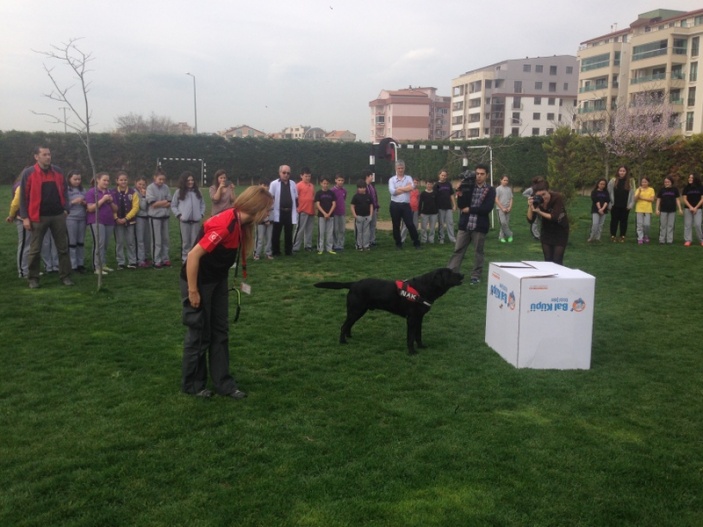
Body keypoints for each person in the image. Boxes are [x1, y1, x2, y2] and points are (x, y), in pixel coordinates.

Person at [180, 185, 274, 400]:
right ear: (257, 208)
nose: (269, 213)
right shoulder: (224, 225)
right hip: (199, 281)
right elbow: (193, 257)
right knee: (199, 334)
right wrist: (193, 291)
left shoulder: (242, 225)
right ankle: (193, 385)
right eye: (267, 209)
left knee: (220, 332)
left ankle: (224, 384)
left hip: (217, 280)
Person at [18, 146, 74, 288]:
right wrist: (25, 217)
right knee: (35, 250)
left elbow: (65, 191)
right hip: (38, 217)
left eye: (49, 154)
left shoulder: (58, 171)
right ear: (36, 157)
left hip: (58, 216)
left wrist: (66, 209)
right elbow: (23, 197)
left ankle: (65, 276)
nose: (48, 157)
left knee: (63, 248)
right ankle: (33, 278)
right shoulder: (29, 173)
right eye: (44, 154)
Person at [447, 163, 496, 284]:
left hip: (479, 226)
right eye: (477, 174)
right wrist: (460, 191)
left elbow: (487, 208)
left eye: (482, 174)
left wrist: (471, 209)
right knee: (458, 249)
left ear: (487, 175)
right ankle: (451, 273)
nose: (479, 176)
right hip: (465, 224)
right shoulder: (468, 186)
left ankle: (476, 275)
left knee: (478, 251)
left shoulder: (490, 190)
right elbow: (461, 206)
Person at [526, 180, 569, 265]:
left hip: (560, 230)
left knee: (557, 261)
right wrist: (530, 206)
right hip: (546, 231)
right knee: (548, 261)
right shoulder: (536, 200)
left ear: (548, 191)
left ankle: (560, 278)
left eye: (544, 194)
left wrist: (539, 212)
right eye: (539, 195)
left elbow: (554, 217)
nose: (543, 197)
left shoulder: (557, 197)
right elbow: (530, 220)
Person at [171, 171, 206, 263]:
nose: (190, 182)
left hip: (195, 222)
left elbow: (202, 204)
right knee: (186, 242)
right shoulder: (179, 192)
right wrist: (179, 215)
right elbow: (173, 205)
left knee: (195, 242)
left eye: (192, 180)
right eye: (188, 180)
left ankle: (194, 260)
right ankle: (185, 260)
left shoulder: (198, 192)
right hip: (184, 222)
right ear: (184, 181)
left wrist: (201, 214)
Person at [85, 172, 116, 275]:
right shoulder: (91, 192)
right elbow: (90, 208)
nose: (106, 182)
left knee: (105, 244)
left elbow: (116, 209)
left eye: (108, 180)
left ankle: (103, 264)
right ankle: (97, 267)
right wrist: (103, 200)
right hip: (96, 220)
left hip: (109, 220)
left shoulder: (110, 192)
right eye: (104, 180)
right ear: (98, 180)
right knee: (99, 243)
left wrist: (111, 201)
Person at [389, 160, 421, 249]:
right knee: (396, 225)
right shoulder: (392, 180)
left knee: (410, 224)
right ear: (396, 169)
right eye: (398, 168)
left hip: (406, 205)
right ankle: (398, 243)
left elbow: (412, 187)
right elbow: (392, 192)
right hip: (395, 205)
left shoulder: (408, 178)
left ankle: (416, 242)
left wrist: (399, 188)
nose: (400, 170)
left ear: (404, 168)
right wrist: (405, 189)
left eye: (402, 168)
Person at [269, 164, 298, 256]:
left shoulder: (293, 183)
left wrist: (296, 209)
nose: (286, 175)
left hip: (289, 212)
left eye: (288, 173)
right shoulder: (274, 184)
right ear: (279, 173)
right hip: (279, 211)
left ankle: (288, 251)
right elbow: (270, 198)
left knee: (289, 233)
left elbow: (296, 197)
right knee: (276, 233)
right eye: (284, 173)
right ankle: (276, 251)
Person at [112, 170, 139, 269]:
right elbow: (112, 206)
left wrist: (127, 218)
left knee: (130, 241)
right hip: (117, 221)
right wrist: (116, 218)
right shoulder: (113, 192)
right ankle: (120, 262)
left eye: (125, 180)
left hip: (130, 221)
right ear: (117, 181)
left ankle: (132, 261)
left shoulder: (133, 192)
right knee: (119, 242)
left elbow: (135, 207)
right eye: (121, 180)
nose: (123, 182)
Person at [6, 174, 32, 278]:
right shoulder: (21, 186)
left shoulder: (26, 184)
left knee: (30, 246)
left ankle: (29, 269)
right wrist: (11, 215)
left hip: (30, 218)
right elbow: (15, 203)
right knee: (25, 246)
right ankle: (23, 271)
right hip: (23, 218)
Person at [146, 169, 172, 268]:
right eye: (160, 179)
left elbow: (170, 202)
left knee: (165, 239)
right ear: (155, 178)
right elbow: (153, 204)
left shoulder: (166, 187)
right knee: (157, 240)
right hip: (154, 217)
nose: (161, 181)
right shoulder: (150, 188)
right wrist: (163, 202)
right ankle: (156, 260)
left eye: (163, 179)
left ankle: (165, 259)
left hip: (165, 217)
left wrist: (160, 203)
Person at [66, 170, 87, 272]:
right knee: (72, 242)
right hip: (71, 218)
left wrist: (84, 203)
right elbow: (64, 205)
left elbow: (88, 202)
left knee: (81, 242)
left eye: (79, 179)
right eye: (75, 179)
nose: (77, 181)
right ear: (69, 179)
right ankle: (72, 265)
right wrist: (73, 201)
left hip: (82, 218)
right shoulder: (66, 190)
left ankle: (80, 264)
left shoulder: (83, 190)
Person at [608, 165, 635, 243]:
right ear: (618, 171)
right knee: (614, 220)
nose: (622, 172)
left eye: (623, 171)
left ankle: (622, 236)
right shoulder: (613, 181)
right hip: (615, 205)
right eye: (620, 171)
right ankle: (613, 235)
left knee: (624, 221)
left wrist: (630, 205)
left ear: (626, 172)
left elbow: (633, 194)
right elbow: (609, 192)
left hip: (625, 206)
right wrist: (610, 204)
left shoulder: (630, 181)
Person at [292, 167, 315, 252]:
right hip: (302, 211)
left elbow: (312, 197)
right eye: (306, 176)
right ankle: (295, 246)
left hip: (311, 210)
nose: (308, 178)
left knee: (309, 230)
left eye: (309, 176)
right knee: (300, 229)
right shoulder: (298, 185)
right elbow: (294, 198)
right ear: (301, 176)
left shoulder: (312, 186)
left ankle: (308, 246)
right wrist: (297, 208)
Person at [656, 175, 683, 244]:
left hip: (672, 210)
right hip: (663, 210)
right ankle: (662, 239)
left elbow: (677, 199)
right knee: (663, 225)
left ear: (671, 182)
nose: (666, 183)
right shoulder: (662, 190)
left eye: (668, 182)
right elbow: (658, 199)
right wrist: (657, 209)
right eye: (665, 182)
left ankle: (669, 240)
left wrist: (680, 209)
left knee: (670, 225)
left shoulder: (675, 190)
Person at [253, 178, 274, 260]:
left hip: (270, 219)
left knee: (269, 238)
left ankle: (268, 253)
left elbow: (271, 207)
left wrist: (269, 217)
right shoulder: (257, 196)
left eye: (267, 186)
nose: (266, 187)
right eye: (264, 185)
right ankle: (256, 253)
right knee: (260, 238)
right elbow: (260, 208)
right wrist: (265, 219)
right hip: (260, 220)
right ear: (260, 185)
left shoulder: (270, 196)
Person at [315, 176, 337, 254]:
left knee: (329, 232)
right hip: (321, 216)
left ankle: (329, 248)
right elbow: (317, 204)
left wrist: (329, 214)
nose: (325, 185)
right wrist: (324, 213)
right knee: (321, 232)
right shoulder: (318, 193)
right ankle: (320, 248)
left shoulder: (331, 193)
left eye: (327, 183)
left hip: (330, 216)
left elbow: (334, 204)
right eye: (324, 183)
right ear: (321, 183)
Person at [351, 179, 374, 251]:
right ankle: (359, 245)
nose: (362, 189)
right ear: (358, 188)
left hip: (367, 216)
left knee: (366, 232)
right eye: (360, 188)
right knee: (359, 232)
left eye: (364, 187)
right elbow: (352, 206)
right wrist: (355, 215)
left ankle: (366, 245)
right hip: (359, 216)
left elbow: (371, 205)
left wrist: (370, 215)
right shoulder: (355, 196)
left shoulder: (368, 196)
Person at [434, 169, 456, 244]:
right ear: (439, 175)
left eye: (445, 176)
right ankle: (441, 238)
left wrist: (454, 205)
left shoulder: (448, 184)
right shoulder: (436, 185)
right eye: (442, 175)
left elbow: (451, 195)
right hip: (440, 207)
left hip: (448, 207)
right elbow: (434, 197)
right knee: (441, 224)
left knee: (450, 223)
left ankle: (452, 238)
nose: (443, 177)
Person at [134, 176, 152, 268]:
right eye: (139, 184)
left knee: (147, 239)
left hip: (147, 217)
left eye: (143, 184)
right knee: (140, 239)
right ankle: (140, 259)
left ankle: (145, 257)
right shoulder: (135, 193)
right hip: (139, 218)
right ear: (135, 183)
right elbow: (143, 206)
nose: (141, 186)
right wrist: (144, 196)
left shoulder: (148, 191)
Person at [682, 173, 703, 247]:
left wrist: (696, 207)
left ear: (696, 179)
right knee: (688, 225)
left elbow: (702, 199)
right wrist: (690, 207)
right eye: (689, 177)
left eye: (691, 178)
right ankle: (688, 240)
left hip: (698, 209)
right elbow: (684, 199)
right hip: (688, 209)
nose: (689, 179)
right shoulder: (686, 188)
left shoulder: (700, 187)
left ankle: (701, 240)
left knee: (697, 224)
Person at [633, 177, 655, 245]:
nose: (644, 183)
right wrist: (639, 192)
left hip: (648, 209)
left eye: (645, 182)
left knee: (647, 225)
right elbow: (635, 199)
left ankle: (646, 236)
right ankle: (640, 238)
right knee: (639, 224)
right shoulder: (638, 189)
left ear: (648, 182)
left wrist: (642, 198)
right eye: (642, 182)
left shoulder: (651, 189)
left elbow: (652, 199)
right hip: (639, 209)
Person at [588, 178, 609, 243]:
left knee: (601, 224)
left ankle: (598, 238)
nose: (602, 185)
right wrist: (599, 209)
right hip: (595, 210)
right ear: (598, 184)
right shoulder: (594, 192)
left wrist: (603, 209)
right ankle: (592, 237)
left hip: (604, 211)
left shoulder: (606, 192)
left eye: (603, 184)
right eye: (600, 184)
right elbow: (596, 200)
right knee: (595, 224)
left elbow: (607, 201)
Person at [400, 177, 420, 244]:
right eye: (414, 182)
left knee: (415, 225)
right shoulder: (407, 190)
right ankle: (402, 239)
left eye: (416, 183)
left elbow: (418, 200)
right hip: (408, 209)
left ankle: (414, 239)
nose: (415, 184)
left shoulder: (417, 191)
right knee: (405, 225)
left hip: (415, 209)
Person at [419, 180, 439, 244]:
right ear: (426, 185)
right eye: (428, 184)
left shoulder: (435, 193)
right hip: (425, 213)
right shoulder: (423, 193)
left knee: (432, 228)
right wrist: (420, 212)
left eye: (430, 184)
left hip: (434, 213)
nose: (429, 186)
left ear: (432, 185)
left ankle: (431, 240)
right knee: (423, 227)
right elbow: (420, 203)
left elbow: (437, 203)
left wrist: (437, 211)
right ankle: (423, 239)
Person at [495, 175, 514, 243]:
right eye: (504, 180)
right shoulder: (498, 189)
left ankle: (501, 237)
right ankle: (510, 234)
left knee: (506, 223)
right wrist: (502, 208)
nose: (506, 182)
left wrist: (509, 207)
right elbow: (496, 199)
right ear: (501, 180)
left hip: (508, 208)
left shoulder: (509, 189)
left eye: (507, 180)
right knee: (502, 223)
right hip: (500, 209)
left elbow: (511, 199)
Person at [331, 174, 347, 251]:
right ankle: (335, 244)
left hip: (342, 213)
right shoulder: (332, 191)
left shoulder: (344, 191)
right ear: (335, 180)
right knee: (335, 229)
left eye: (342, 180)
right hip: (334, 213)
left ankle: (341, 244)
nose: (340, 182)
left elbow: (344, 199)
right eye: (339, 180)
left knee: (342, 229)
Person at [364, 170, 380, 247]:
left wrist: (377, 207)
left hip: (373, 209)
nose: (372, 178)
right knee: (367, 225)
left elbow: (375, 197)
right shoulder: (363, 187)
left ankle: (372, 240)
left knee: (373, 225)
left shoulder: (372, 186)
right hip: (367, 210)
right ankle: (366, 240)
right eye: (371, 176)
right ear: (367, 176)